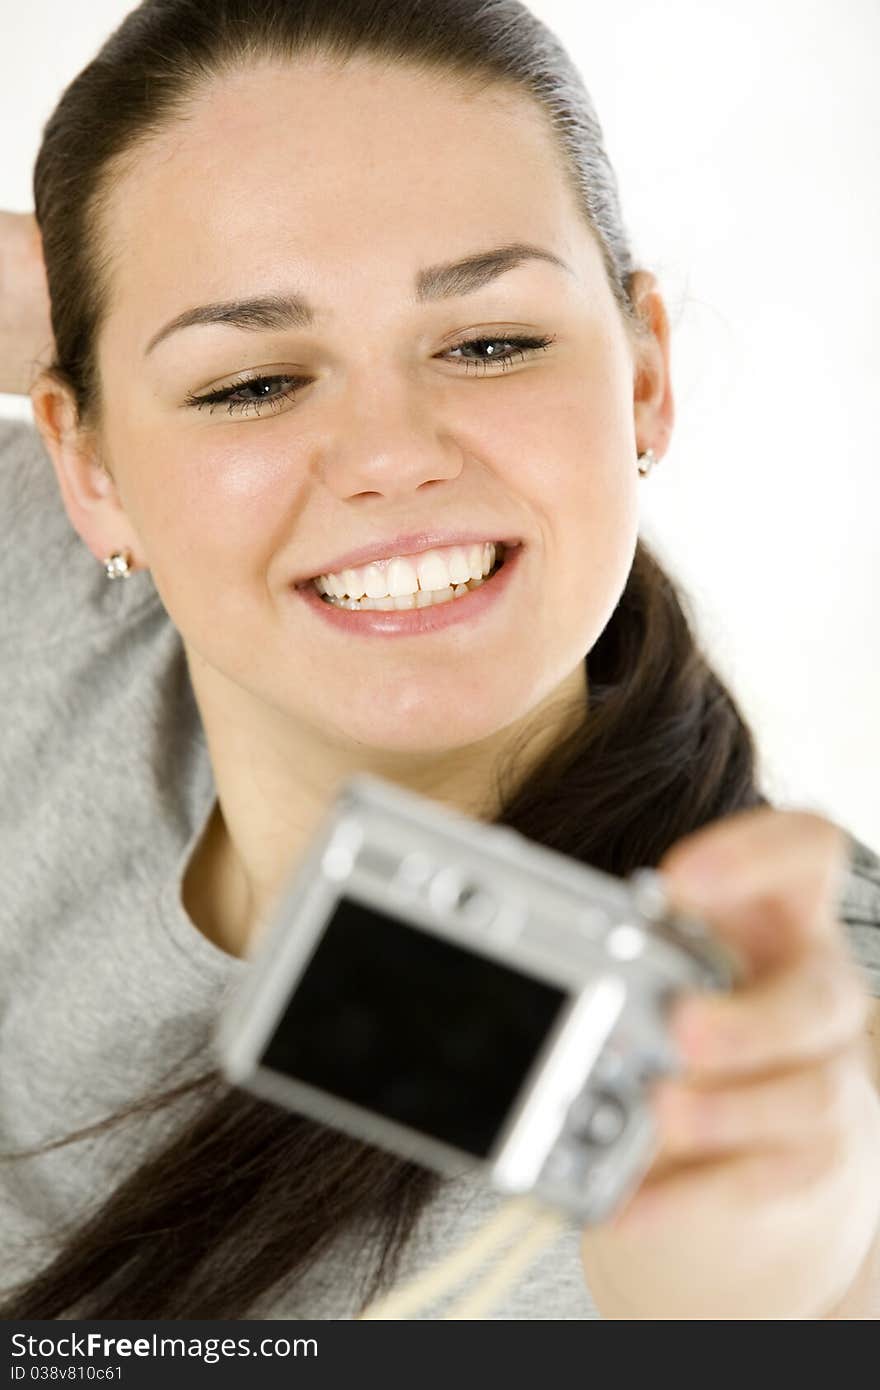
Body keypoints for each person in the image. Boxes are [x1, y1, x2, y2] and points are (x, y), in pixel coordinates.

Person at [0, 0, 878, 1321]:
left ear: (643, 378)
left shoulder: (789, 1031)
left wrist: (776, 1279)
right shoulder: (41, 588)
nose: (391, 454)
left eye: (490, 342)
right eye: (249, 380)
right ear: (89, 464)